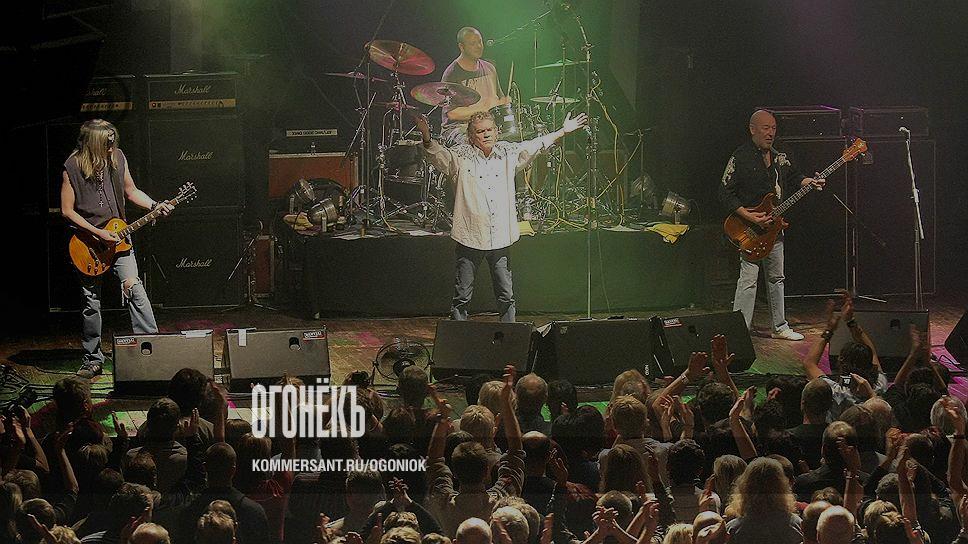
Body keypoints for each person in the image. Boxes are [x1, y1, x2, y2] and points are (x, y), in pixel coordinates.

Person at [412, 109, 587, 322]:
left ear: (496, 131)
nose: (486, 134)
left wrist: (562, 131)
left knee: (506, 294)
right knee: (462, 295)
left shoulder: (507, 153)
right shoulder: (460, 156)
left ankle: (510, 333)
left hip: (500, 237)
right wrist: (426, 136)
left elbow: (535, 145)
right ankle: (458, 334)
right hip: (470, 236)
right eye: (480, 131)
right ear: (471, 136)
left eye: (489, 130)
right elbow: (438, 155)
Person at [60, 119, 173, 378]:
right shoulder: (72, 166)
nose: (111, 147)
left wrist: (154, 205)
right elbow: (67, 211)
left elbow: (131, 191)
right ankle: (92, 359)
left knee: (134, 287)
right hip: (88, 243)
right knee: (91, 301)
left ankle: (151, 348)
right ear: (93, 143)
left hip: (120, 239)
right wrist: (98, 232)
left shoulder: (118, 158)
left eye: (113, 142)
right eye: (106, 144)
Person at [718, 109, 825, 340]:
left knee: (777, 277)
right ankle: (741, 330)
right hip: (750, 229)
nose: (770, 133)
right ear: (752, 129)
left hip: (774, 228)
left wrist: (809, 181)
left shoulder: (779, 157)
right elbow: (725, 193)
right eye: (766, 128)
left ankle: (780, 327)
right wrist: (749, 216)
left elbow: (795, 177)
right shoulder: (740, 157)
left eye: (773, 128)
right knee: (748, 279)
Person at [440, 27, 509, 147]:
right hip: (459, 128)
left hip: (486, 127)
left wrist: (505, 103)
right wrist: (484, 109)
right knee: (477, 141)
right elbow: (452, 114)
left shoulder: (490, 68)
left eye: (480, 42)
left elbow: (500, 99)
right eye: (473, 43)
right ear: (461, 47)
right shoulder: (452, 73)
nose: (479, 46)